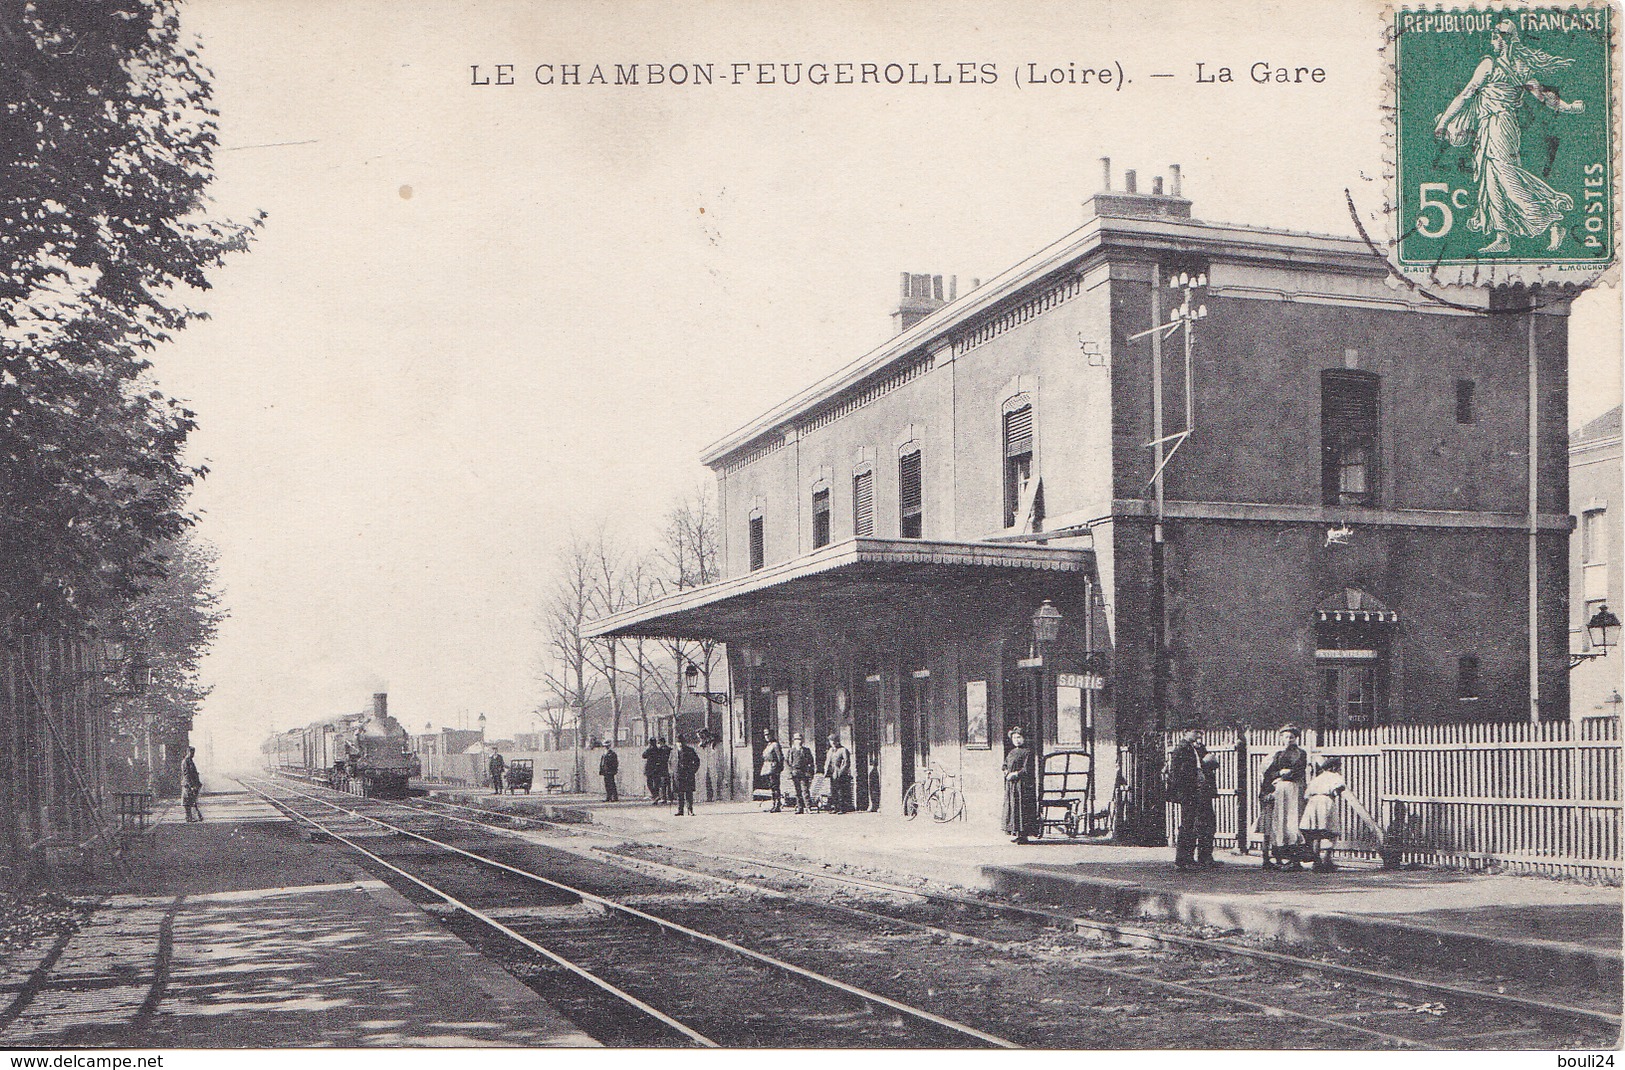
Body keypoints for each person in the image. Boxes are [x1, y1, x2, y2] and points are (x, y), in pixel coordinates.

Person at [1432, 18, 1584, 255]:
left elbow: (1466, 94)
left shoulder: (1490, 65)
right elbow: (1545, 97)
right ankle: (1502, 235)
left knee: (1506, 177)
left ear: (1503, 40)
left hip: (1499, 125)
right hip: (1492, 126)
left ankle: (1552, 222)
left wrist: (1443, 122)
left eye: (1497, 36)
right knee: (1491, 179)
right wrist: (1570, 107)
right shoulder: (1521, 67)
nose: (1494, 41)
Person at [1257, 724, 1309, 870]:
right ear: (1281, 738)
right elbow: (1270, 773)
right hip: (1280, 792)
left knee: (1294, 821)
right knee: (1281, 823)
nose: (1288, 740)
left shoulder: (1301, 753)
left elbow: (1299, 770)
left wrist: (1288, 774)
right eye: (1286, 737)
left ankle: (1296, 860)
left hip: (1294, 789)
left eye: (1291, 737)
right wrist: (1279, 774)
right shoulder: (1278, 754)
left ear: (1296, 738)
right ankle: (1281, 857)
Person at [1168, 728, 1219, 870]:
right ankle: (1183, 859)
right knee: (1188, 824)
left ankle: (1205, 857)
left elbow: (1212, 764)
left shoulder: (1199, 747)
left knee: (1207, 823)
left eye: (1200, 733)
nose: (1199, 736)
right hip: (1190, 791)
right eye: (1196, 732)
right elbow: (1178, 772)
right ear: (1185, 732)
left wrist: (1209, 759)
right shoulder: (1181, 749)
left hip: (1203, 790)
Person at [1299, 755, 1347, 872]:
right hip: (1326, 801)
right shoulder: (1335, 776)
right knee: (1332, 831)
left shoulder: (1317, 778)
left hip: (1313, 802)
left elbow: (1306, 795)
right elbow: (1339, 787)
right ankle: (1327, 859)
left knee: (1316, 834)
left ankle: (1317, 861)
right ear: (1334, 767)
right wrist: (1335, 793)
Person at [1002, 725, 1037, 844]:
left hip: (1023, 785)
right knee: (1013, 807)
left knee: (1022, 808)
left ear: (1024, 738)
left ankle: (1024, 835)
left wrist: (1015, 774)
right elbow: (1005, 764)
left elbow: (1027, 769)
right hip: (1012, 786)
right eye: (1014, 738)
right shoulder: (1011, 752)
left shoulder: (1027, 752)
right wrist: (1006, 771)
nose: (1017, 740)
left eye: (1019, 737)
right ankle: (1016, 832)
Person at [823, 733, 852, 814]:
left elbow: (846, 762)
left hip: (840, 773)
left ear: (837, 741)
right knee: (833, 791)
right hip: (832, 773)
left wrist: (841, 772)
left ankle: (842, 808)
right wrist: (826, 771)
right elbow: (827, 762)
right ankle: (836, 807)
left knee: (841, 791)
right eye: (831, 741)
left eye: (834, 741)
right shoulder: (830, 751)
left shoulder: (843, 750)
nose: (832, 743)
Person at [787, 733, 816, 814]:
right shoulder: (791, 751)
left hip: (804, 773)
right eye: (796, 740)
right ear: (794, 741)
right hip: (795, 772)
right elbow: (787, 762)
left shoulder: (806, 750)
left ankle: (808, 807)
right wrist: (790, 772)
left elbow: (811, 761)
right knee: (797, 791)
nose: (798, 741)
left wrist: (810, 772)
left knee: (805, 790)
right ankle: (800, 808)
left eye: (800, 739)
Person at [673, 735, 700, 816]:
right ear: (676, 743)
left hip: (688, 774)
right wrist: (673, 772)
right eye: (678, 742)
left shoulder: (689, 750)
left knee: (689, 793)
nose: (680, 744)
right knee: (679, 793)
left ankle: (690, 810)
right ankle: (680, 810)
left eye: (681, 742)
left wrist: (693, 770)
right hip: (678, 775)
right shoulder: (673, 752)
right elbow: (670, 762)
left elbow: (697, 761)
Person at [759, 729, 785, 812]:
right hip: (767, 767)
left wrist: (779, 768)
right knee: (772, 787)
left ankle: (777, 804)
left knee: (775, 786)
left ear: (772, 735)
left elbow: (780, 757)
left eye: (768, 735)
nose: (766, 737)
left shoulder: (775, 745)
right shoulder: (768, 745)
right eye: (765, 735)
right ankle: (774, 803)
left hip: (774, 768)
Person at [181, 747, 203, 823]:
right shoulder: (185, 762)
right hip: (188, 785)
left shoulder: (190, 761)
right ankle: (189, 817)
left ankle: (192, 817)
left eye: (194, 753)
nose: (193, 754)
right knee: (187, 801)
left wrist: (198, 782)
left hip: (192, 784)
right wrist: (191, 786)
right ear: (188, 752)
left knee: (192, 801)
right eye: (191, 753)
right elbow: (186, 774)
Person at [642, 738, 667, 804]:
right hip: (657, 768)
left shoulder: (649, 749)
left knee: (649, 783)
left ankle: (655, 795)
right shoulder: (659, 750)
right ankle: (656, 796)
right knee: (656, 783)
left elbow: (644, 755)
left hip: (650, 768)